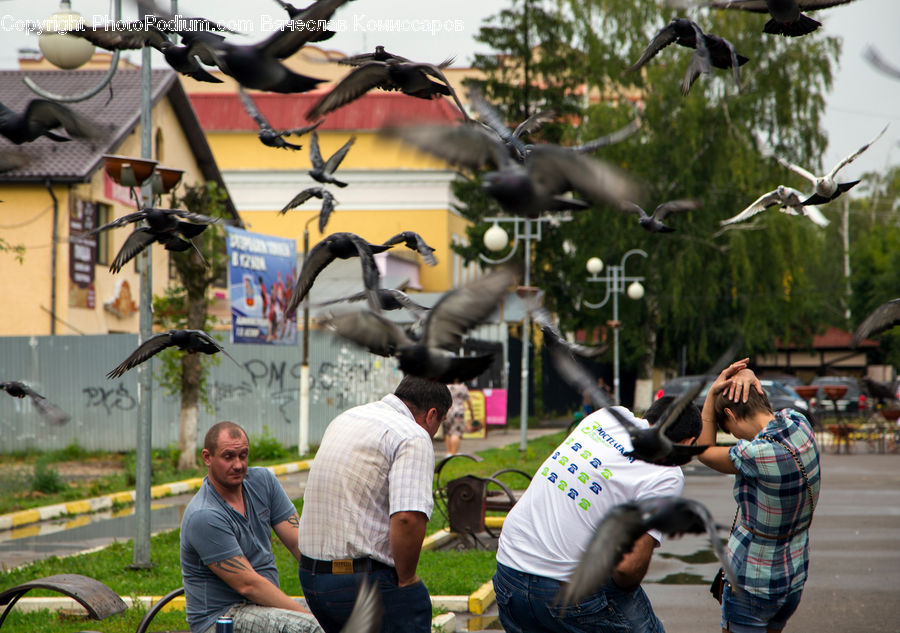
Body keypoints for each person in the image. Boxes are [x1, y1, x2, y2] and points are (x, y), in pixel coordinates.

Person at [493, 396, 702, 633]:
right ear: (689, 442)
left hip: (509, 570)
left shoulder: (608, 416)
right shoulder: (667, 472)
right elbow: (627, 569)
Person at [297, 375, 452, 633]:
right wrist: (407, 579)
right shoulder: (412, 435)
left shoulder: (347, 418)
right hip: (361, 584)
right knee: (415, 601)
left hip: (311, 578)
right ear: (432, 414)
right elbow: (407, 518)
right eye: (439, 424)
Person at [698, 359, 821, 633]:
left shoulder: (757, 455)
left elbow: (703, 451)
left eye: (729, 431)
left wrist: (710, 396)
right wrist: (749, 376)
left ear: (730, 415)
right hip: (793, 576)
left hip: (752, 582)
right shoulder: (799, 422)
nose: (736, 437)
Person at [180, 421, 322, 633]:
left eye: (243, 455)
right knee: (314, 628)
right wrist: (307, 617)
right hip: (222, 617)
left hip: (262, 606)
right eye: (228, 457)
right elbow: (249, 585)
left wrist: (336, 587)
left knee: (338, 617)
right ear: (207, 457)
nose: (238, 465)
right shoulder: (204, 515)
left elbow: (299, 543)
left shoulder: (262, 481)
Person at [443, 379, 478, 455]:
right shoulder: (462, 387)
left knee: (448, 432)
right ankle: (453, 453)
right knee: (456, 432)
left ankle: (448, 453)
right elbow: (469, 401)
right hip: (459, 412)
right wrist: (472, 414)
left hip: (448, 411)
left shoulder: (447, 387)